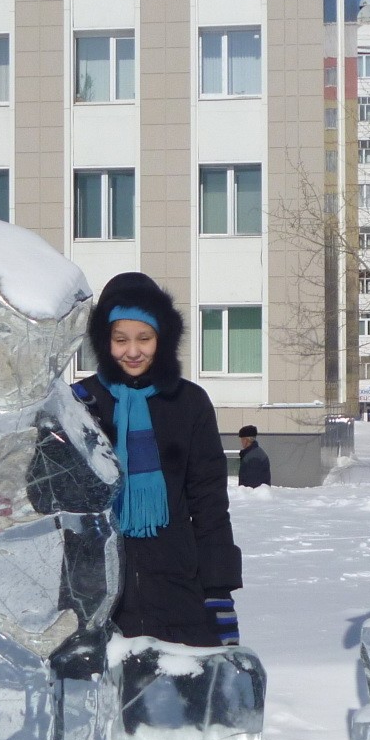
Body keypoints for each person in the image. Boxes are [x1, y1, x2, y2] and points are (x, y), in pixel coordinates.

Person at [72, 273, 244, 647]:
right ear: (105, 341)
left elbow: (209, 503)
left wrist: (219, 592)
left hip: (178, 588)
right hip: (95, 592)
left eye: (144, 338)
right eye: (120, 340)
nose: (133, 352)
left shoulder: (188, 402)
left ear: (161, 339)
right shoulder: (78, 404)